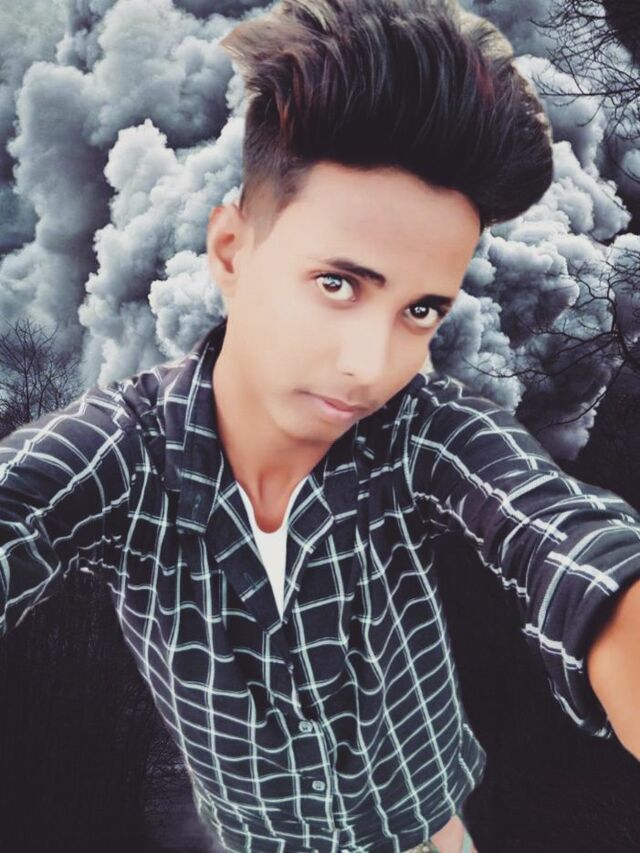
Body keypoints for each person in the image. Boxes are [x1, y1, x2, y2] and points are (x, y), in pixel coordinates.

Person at [1, 0, 639, 851]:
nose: (371, 365)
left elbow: (558, 532)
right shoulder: (123, 454)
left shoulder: (424, 432)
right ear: (231, 251)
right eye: (338, 283)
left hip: (431, 827)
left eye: (420, 309)